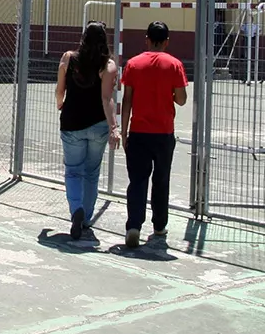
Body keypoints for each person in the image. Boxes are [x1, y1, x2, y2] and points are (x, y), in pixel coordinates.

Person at [119, 21, 189, 249]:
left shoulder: (133, 64)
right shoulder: (175, 64)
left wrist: (124, 130)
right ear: (167, 41)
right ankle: (159, 225)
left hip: (139, 131)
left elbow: (127, 99)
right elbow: (181, 99)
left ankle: (133, 226)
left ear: (146, 39)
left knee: (137, 180)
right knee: (161, 181)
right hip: (164, 132)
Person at [55, 23, 120, 244]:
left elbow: (59, 90)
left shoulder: (69, 58)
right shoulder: (107, 65)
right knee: (91, 172)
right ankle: (86, 218)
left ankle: (76, 210)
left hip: (72, 123)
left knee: (73, 171)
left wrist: (60, 103)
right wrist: (114, 127)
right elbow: (106, 99)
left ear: (83, 38)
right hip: (98, 126)